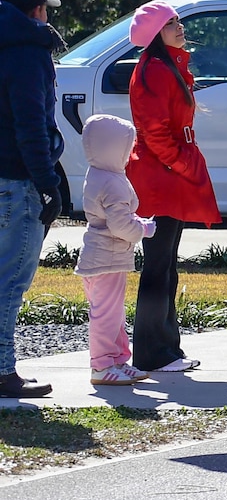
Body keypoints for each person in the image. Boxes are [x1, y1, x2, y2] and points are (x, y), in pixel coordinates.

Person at [125, 2, 220, 373]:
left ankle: (167, 349)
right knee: (158, 266)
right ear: (154, 35)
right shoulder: (155, 71)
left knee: (165, 266)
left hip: (166, 172)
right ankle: (152, 353)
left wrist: (179, 165)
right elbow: (154, 132)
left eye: (178, 21)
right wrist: (179, 164)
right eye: (170, 23)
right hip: (159, 176)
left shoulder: (166, 68)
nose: (179, 27)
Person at [0, 0, 66, 399]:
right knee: (9, 282)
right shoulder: (29, 54)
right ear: (37, 11)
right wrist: (48, 184)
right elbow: (32, 128)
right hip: (17, 180)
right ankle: (3, 372)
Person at [75, 113, 153, 385]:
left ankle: (118, 359)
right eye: (127, 147)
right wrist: (143, 229)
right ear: (113, 148)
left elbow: (111, 215)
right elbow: (120, 225)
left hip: (102, 257)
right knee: (107, 315)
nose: (130, 153)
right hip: (106, 259)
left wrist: (135, 222)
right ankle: (101, 366)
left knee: (114, 313)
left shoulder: (98, 173)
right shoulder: (113, 182)